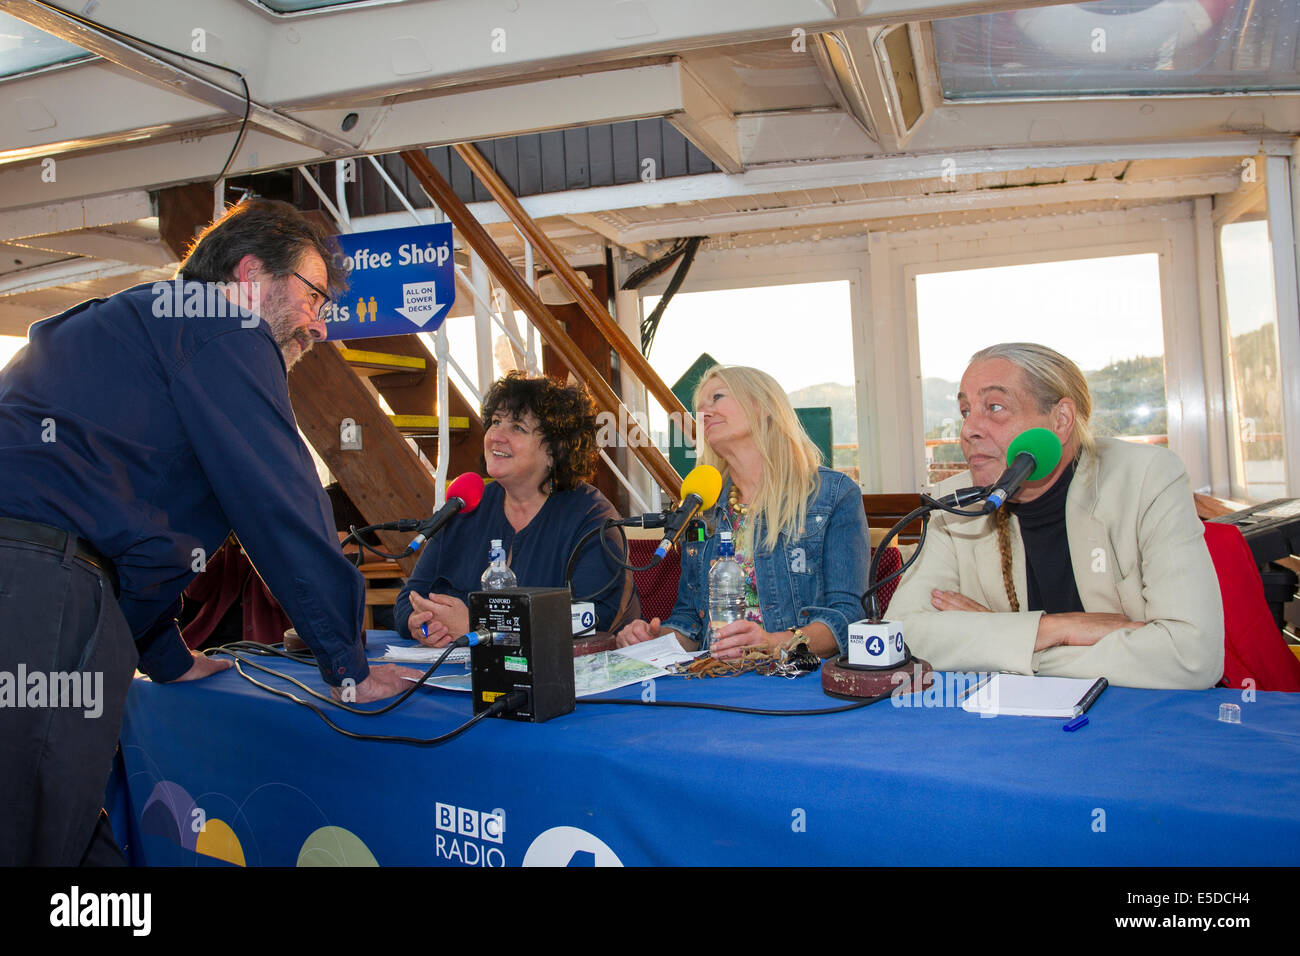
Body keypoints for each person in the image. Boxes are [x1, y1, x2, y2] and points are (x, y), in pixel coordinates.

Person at [0, 199, 418, 866]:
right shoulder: (223, 323)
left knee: (68, 836)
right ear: (250, 276)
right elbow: (278, 499)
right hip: (38, 594)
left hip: (44, 587)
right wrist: (348, 664)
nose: (318, 325)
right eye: (312, 296)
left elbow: (122, 516)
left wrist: (166, 656)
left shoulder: (146, 327)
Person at [887, 342, 1224, 690]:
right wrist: (1055, 629)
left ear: (1060, 420)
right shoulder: (952, 502)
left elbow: (1192, 656)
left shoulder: (1146, 478)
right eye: (965, 411)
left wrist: (1009, 643)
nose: (968, 429)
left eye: (995, 407)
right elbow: (902, 636)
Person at [616, 364, 869, 660]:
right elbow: (691, 623)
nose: (704, 413)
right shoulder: (701, 509)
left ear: (763, 406)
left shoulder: (833, 494)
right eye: (700, 408)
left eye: (717, 398)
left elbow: (847, 617)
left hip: (797, 681)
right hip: (715, 678)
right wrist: (654, 639)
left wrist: (772, 643)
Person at [395, 373, 639, 643]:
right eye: (496, 422)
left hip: (573, 679)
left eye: (518, 427)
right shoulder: (465, 505)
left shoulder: (592, 517)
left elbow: (594, 619)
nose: (496, 436)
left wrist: (480, 628)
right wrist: (421, 625)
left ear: (554, 450)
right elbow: (410, 599)